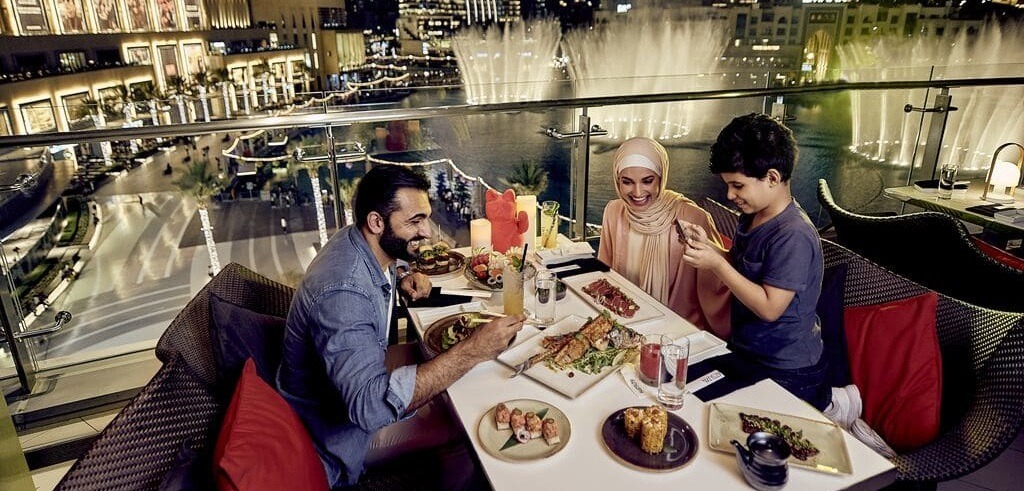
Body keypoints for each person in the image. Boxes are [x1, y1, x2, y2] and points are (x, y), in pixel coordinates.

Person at [278, 164, 525, 488]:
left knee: (462, 382)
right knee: (466, 424)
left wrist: (399, 275)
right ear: (376, 221)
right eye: (415, 221)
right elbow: (368, 407)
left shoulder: (358, 243)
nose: (427, 232)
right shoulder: (344, 294)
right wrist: (472, 350)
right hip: (336, 431)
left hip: (347, 384)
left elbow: (371, 271)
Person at [677, 113, 829, 410]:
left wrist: (716, 264)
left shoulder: (793, 234)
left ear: (772, 178)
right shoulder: (754, 213)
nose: (729, 194)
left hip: (787, 368)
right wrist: (710, 249)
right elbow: (742, 268)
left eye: (737, 185)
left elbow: (770, 307)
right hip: (747, 349)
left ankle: (829, 402)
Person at [598, 137, 731, 338]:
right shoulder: (614, 211)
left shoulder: (693, 218)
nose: (637, 192)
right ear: (617, 180)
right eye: (627, 182)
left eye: (647, 181)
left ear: (661, 177)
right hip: (623, 325)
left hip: (678, 333)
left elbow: (721, 281)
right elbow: (604, 275)